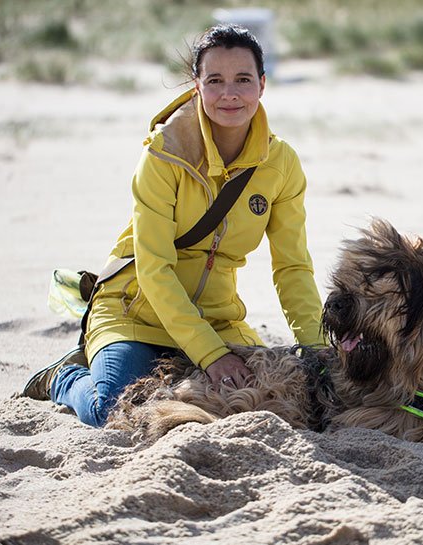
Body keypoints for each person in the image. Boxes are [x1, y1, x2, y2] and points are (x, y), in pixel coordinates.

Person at [22, 24, 326, 427]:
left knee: (277, 398)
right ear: (197, 86)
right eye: (215, 80)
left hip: (218, 318)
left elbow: (292, 269)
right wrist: (211, 355)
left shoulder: (281, 163)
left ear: (262, 85)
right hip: (135, 313)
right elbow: (154, 270)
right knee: (113, 410)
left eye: (243, 80)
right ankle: (63, 377)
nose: (230, 93)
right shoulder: (163, 156)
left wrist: (318, 351)